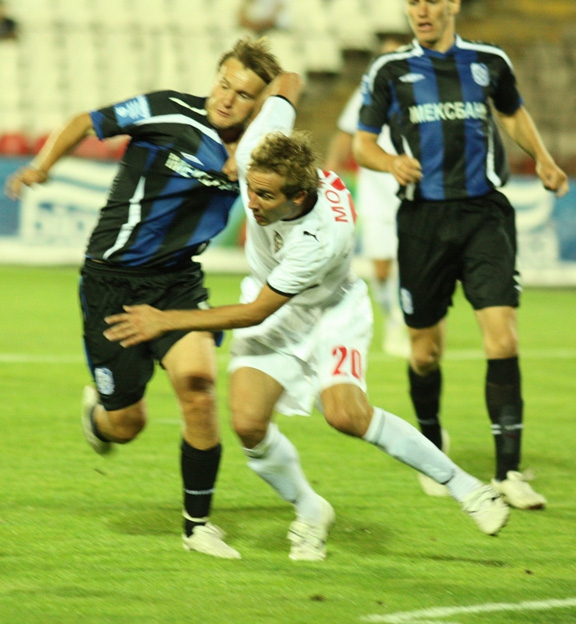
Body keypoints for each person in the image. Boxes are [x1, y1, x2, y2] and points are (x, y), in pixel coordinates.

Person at [103, 87, 511, 560]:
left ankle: (467, 488)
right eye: (251, 189)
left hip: (330, 312)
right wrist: (264, 95)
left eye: (265, 196)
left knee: (346, 415)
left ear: (299, 196)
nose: (252, 203)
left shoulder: (320, 237)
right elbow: (289, 82)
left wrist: (166, 320)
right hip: (271, 300)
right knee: (248, 424)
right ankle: (310, 510)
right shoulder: (262, 153)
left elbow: (256, 313)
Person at [5, 37, 282, 559]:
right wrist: (43, 166)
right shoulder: (167, 111)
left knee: (199, 390)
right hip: (112, 282)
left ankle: (198, 527)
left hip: (178, 283)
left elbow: (292, 95)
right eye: (224, 83)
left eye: (244, 94)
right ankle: (99, 417)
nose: (227, 98)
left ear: (259, 104)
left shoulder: (260, 150)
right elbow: (86, 122)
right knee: (127, 425)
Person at [352, 0, 569, 508]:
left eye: (431, 1)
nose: (421, 11)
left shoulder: (489, 61)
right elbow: (362, 144)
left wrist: (542, 158)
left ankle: (508, 472)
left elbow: (512, 113)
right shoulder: (389, 70)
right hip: (422, 221)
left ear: (452, 4)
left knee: (503, 338)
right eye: (413, 3)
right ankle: (431, 445)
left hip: (483, 215)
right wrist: (390, 162)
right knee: (424, 354)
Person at [325, 33, 412, 359]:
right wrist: (330, 172)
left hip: (410, 191)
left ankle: (407, 323)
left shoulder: (418, 93)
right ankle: (392, 317)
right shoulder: (366, 91)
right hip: (376, 191)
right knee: (381, 269)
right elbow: (346, 132)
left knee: (410, 264)